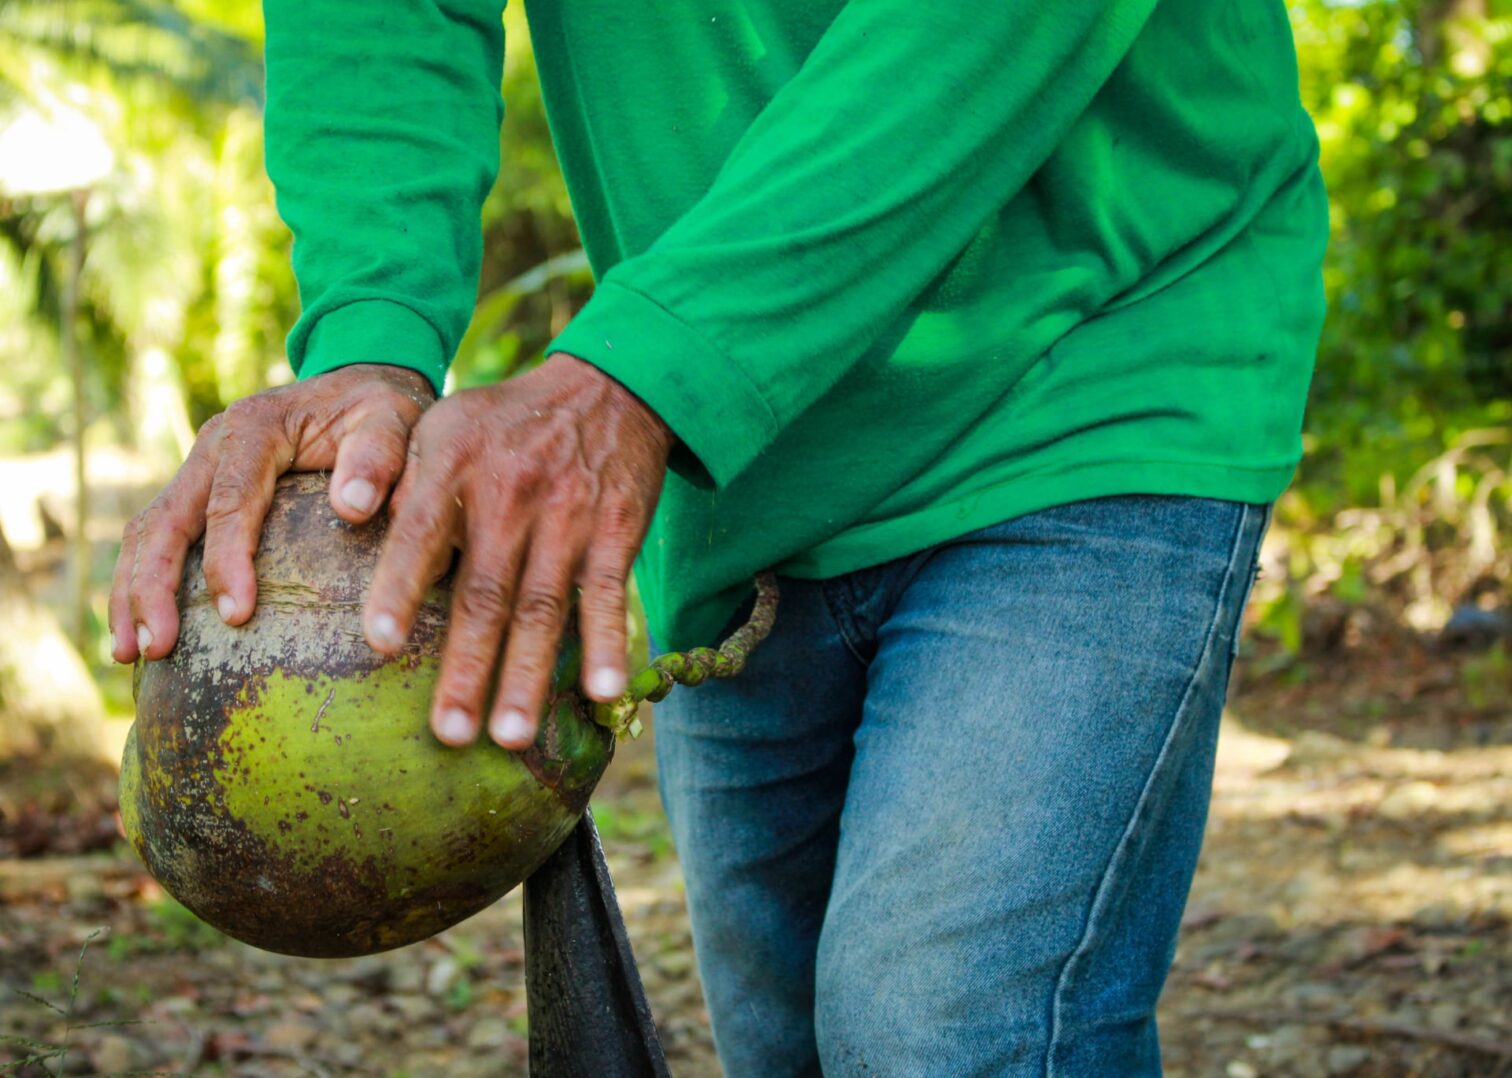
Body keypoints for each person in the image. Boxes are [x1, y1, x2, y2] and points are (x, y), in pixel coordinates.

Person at [110, 1, 1327, 1073]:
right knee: (788, 1041)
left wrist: (644, 374)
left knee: (940, 1028)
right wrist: (370, 334)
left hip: (1085, 363)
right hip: (736, 468)